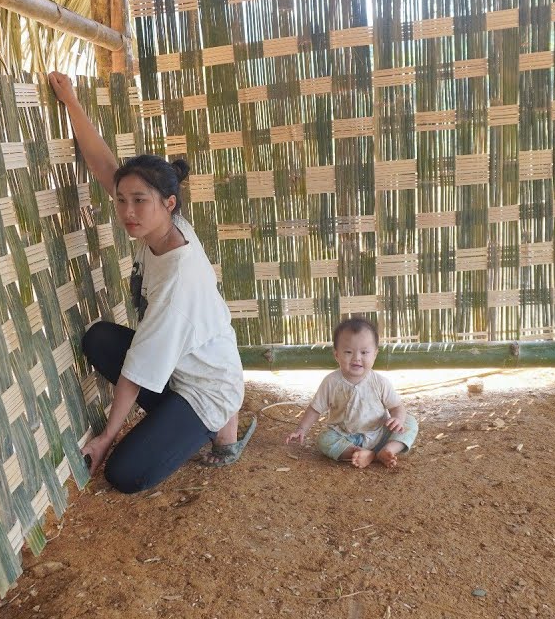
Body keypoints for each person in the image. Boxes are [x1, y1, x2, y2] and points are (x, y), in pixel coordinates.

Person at [47, 71, 252, 494]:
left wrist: (106, 437)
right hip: (182, 365)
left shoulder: (179, 281)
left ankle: (222, 422)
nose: (128, 212)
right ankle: (189, 422)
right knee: (100, 339)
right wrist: (71, 103)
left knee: (125, 475)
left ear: (168, 203)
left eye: (139, 201)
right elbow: (107, 168)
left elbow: (139, 369)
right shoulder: (163, 226)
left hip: (205, 387)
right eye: (122, 200)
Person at [285, 317, 418, 468]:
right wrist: (301, 429)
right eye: (348, 352)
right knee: (323, 440)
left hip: (379, 433)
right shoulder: (331, 382)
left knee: (410, 421)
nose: (356, 358)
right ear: (336, 355)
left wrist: (398, 420)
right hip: (344, 436)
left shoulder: (380, 382)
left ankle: (388, 449)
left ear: (375, 354)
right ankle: (363, 453)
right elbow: (315, 409)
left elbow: (397, 407)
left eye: (364, 352)